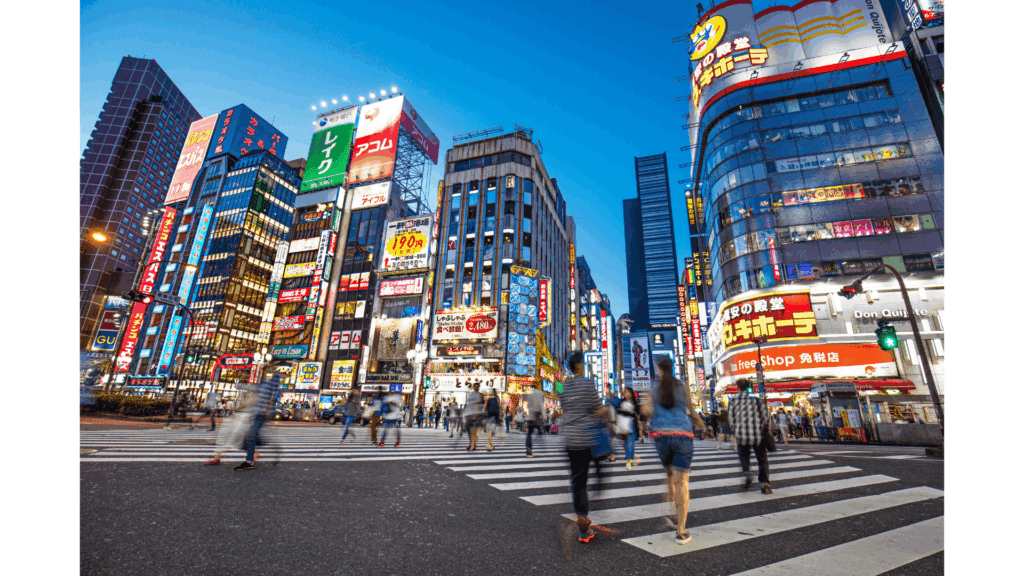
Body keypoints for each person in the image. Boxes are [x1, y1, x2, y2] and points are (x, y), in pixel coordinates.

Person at [639, 357, 702, 546]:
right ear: (672, 368)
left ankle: (671, 506)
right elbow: (691, 410)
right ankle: (681, 531)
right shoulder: (682, 386)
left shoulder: (652, 388)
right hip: (683, 434)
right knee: (682, 481)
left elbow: (646, 410)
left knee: (669, 473)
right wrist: (700, 422)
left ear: (659, 370)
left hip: (661, 436)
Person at [560, 352, 613, 544]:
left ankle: (583, 529)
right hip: (587, 437)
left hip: (570, 440)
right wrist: (608, 413)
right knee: (599, 461)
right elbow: (598, 409)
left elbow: (565, 408)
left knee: (578, 482)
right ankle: (599, 480)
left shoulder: (564, 385)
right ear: (581, 365)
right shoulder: (588, 384)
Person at [234, 367, 284, 471]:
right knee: (251, 436)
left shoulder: (273, 380)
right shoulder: (263, 382)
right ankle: (261, 444)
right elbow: (255, 390)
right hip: (256, 412)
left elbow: (274, 396)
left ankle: (249, 461)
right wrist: (239, 384)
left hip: (261, 413)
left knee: (251, 437)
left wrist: (268, 409)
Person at [728, 378, 772, 494]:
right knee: (762, 460)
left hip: (741, 435)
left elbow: (731, 421)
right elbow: (766, 417)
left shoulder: (733, 401)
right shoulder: (756, 400)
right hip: (758, 435)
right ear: (749, 387)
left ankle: (747, 473)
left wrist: (736, 430)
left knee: (744, 457)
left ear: (737, 388)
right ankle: (765, 484)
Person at [619, 387, 640, 470]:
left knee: (630, 443)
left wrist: (633, 412)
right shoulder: (622, 402)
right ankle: (634, 456)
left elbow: (638, 414)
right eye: (625, 392)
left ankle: (628, 462)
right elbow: (619, 412)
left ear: (631, 394)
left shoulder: (635, 403)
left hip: (632, 425)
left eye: (628, 392)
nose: (626, 394)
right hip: (623, 425)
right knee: (626, 443)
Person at [523, 383, 546, 457]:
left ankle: (529, 450)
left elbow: (528, 406)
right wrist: (544, 416)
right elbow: (541, 405)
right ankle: (541, 444)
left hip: (531, 415)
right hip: (537, 415)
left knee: (529, 434)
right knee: (539, 431)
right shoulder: (540, 394)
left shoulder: (530, 395)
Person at [463, 383, 485, 451]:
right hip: (469, 414)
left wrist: (477, 414)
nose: (476, 388)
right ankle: (472, 444)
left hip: (476, 414)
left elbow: (481, 405)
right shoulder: (470, 394)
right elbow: (468, 404)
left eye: (477, 386)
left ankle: (472, 445)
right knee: (469, 430)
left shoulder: (480, 395)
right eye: (475, 386)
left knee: (473, 430)